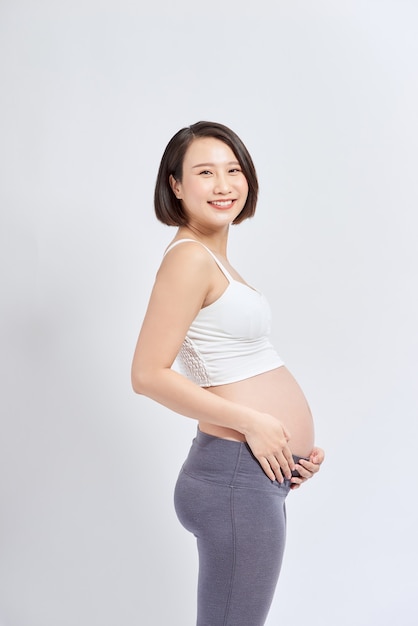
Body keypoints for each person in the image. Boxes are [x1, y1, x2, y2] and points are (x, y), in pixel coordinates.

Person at [131, 121, 325, 626]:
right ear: (175, 185)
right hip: (232, 475)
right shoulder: (190, 259)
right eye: (204, 172)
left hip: (249, 474)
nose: (223, 185)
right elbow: (147, 374)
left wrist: (287, 457)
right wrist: (255, 424)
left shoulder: (215, 260)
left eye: (233, 170)